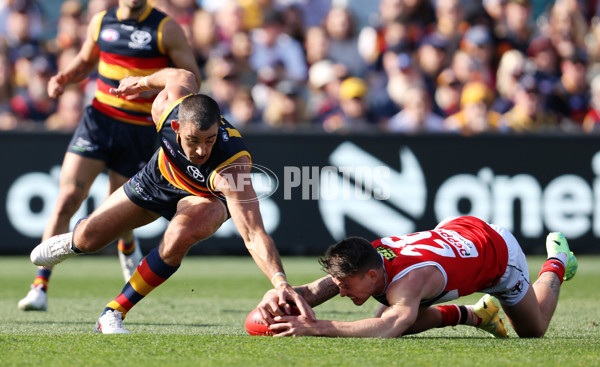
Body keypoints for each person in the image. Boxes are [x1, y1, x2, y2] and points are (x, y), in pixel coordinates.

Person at [29, 67, 314, 334]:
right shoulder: (165, 108)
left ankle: (112, 312)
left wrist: (281, 282)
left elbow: (253, 233)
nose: (202, 150)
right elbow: (182, 74)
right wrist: (140, 83)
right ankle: (72, 242)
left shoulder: (232, 169)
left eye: (210, 140)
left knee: (178, 236)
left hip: (204, 197)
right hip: (158, 178)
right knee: (89, 239)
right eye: (194, 140)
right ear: (176, 126)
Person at [18, 0, 202, 312]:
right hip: (99, 121)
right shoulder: (101, 21)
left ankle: (126, 243)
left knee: (117, 206)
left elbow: (190, 79)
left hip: (138, 129)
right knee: (67, 197)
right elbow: (84, 61)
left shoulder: (165, 28)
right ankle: (40, 285)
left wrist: (149, 91)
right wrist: (64, 77)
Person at [256, 216, 578, 338]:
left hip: (498, 255)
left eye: (346, 287)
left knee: (533, 330)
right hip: (457, 231)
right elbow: (315, 290)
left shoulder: (407, 280)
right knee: (393, 310)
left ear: (371, 275)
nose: (340, 293)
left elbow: (388, 329)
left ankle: (559, 260)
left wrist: (315, 327)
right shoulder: (366, 262)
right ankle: (477, 315)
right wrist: (281, 294)